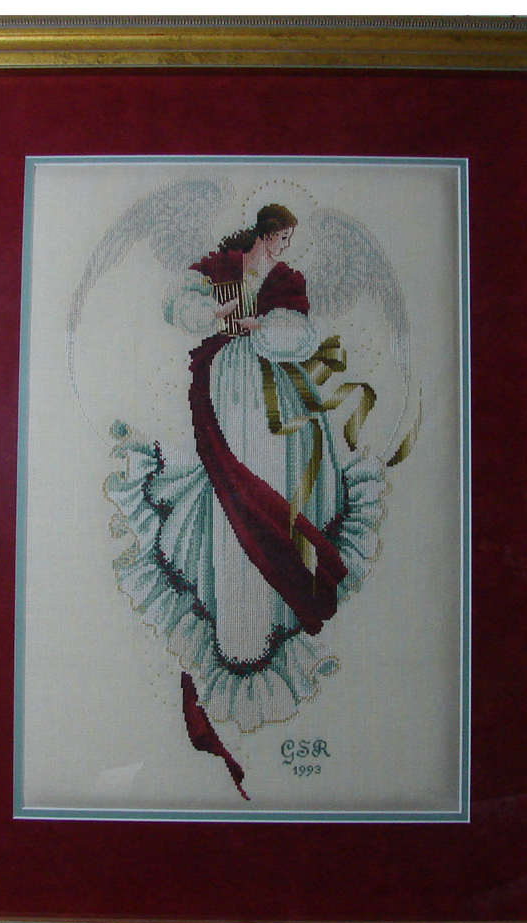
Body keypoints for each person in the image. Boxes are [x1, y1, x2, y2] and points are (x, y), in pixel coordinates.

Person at [105, 205, 386, 795]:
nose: (284, 248)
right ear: (265, 233)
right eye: (281, 238)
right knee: (233, 496)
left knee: (277, 483)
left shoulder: (286, 281)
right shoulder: (220, 267)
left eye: (289, 240)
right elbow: (178, 307)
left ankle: (280, 577)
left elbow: (299, 335)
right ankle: (239, 612)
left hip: (278, 397)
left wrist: (260, 327)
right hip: (227, 387)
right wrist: (215, 314)